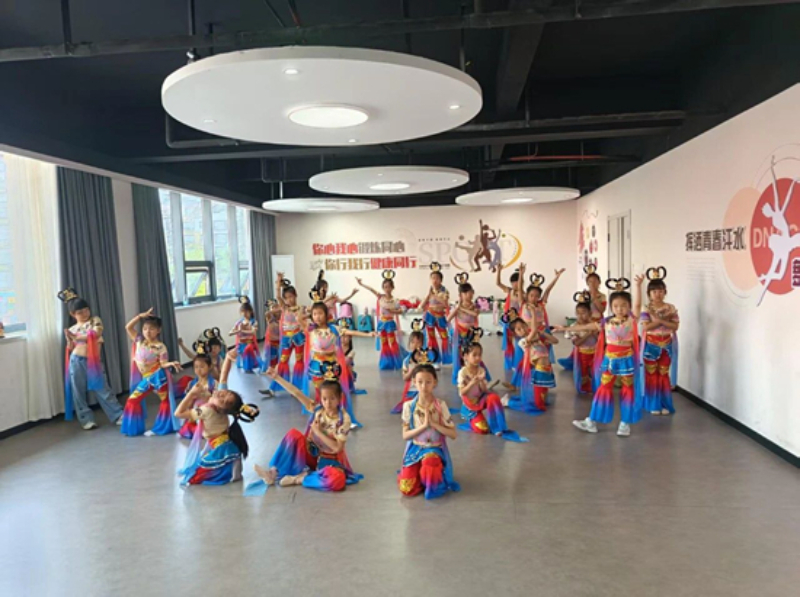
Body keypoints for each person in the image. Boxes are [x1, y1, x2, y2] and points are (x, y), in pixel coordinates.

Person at [553, 278, 643, 437]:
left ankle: (625, 424)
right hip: (610, 360)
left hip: (626, 360)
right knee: (603, 389)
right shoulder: (606, 322)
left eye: (623, 305)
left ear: (629, 306)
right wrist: (564, 328)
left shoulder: (631, 320)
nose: (619, 309)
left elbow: (638, 305)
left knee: (627, 390)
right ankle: (592, 421)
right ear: (611, 307)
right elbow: (586, 326)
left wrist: (638, 286)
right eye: (616, 306)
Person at [252, 366, 363, 492]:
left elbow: (337, 448)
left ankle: (300, 479)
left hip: (331, 461)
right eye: (324, 399)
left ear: (340, 397)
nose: (328, 403)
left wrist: (318, 432)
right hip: (312, 453)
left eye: (332, 398)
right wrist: (277, 378)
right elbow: (297, 393)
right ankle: (273, 473)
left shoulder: (343, 420)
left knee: (337, 480)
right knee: (293, 434)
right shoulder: (318, 409)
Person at [175, 351, 260, 486]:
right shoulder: (219, 405)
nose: (220, 394)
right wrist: (228, 358)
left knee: (194, 477)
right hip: (219, 439)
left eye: (222, 398)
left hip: (219, 443)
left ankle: (231, 470)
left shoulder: (207, 410)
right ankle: (233, 468)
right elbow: (224, 377)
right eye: (224, 393)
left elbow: (178, 413)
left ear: (222, 408)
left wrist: (191, 394)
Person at [299, 300, 375, 428]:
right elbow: (299, 319)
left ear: (326, 314)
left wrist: (368, 334)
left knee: (335, 392)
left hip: (331, 365)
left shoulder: (334, 329)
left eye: (320, 313)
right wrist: (309, 314)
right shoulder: (311, 329)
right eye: (315, 314)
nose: (317, 317)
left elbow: (350, 332)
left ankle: (340, 418)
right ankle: (322, 418)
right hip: (317, 365)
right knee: (321, 393)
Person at [58, 287, 124, 430]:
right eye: (80, 312)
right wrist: (69, 338)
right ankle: (86, 420)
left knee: (102, 389)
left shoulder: (95, 321)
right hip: (76, 360)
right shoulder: (73, 328)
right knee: (78, 391)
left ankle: (118, 415)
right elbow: (70, 347)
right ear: (73, 314)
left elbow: (95, 334)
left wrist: (76, 337)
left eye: (86, 310)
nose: (84, 314)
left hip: (93, 361)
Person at [398, 364, 460, 500]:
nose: (423, 386)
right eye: (420, 382)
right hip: (415, 449)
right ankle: (421, 475)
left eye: (428, 382)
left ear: (435, 383)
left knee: (430, 465)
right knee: (407, 488)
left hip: (434, 449)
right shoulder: (408, 406)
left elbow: (453, 434)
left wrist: (434, 424)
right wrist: (424, 426)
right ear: (414, 382)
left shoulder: (440, 405)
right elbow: (405, 435)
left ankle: (430, 474)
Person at [121, 308, 182, 437]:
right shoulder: (139, 340)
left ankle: (162, 428)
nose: (147, 332)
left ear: (158, 330)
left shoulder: (161, 347)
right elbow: (128, 327)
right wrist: (139, 316)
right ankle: (134, 428)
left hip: (158, 377)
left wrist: (170, 363)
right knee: (132, 400)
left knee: (165, 401)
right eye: (145, 329)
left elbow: (163, 363)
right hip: (146, 377)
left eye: (152, 329)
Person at [457, 343, 526, 442]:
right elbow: (462, 393)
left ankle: (497, 427)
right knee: (483, 429)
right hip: (470, 404)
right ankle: (473, 418)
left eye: (479, 355)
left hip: (480, 399)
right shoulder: (462, 372)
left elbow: (484, 391)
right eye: (474, 355)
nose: (478, 358)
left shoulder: (481, 370)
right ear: (466, 356)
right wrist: (472, 383)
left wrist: (482, 381)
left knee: (494, 397)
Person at [634, 267, 680, 415]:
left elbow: (675, 326)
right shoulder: (646, 308)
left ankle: (664, 403)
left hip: (667, 345)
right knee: (651, 374)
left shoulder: (670, 307)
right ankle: (653, 404)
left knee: (663, 374)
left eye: (660, 291)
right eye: (654, 291)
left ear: (665, 292)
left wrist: (659, 321)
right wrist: (665, 321)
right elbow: (646, 327)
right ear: (649, 294)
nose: (657, 294)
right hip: (651, 345)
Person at [506, 316, 558, 415]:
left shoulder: (538, 338)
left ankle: (536, 400)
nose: (522, 330)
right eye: (519, 329)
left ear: (527, 326)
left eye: (523, 326)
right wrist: (533, 313)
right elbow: (533, 331)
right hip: (539, 371)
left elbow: (555, 341)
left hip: (547, 370)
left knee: (542, 399)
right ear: (515, 334)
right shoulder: (523, 342)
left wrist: (543, 333)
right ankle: (508, 402)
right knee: (538, 406)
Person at [356, 270, 404, 370]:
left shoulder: (395, 300)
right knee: (384, 343)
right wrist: (361, 284)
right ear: (383, 288)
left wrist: (392, 311)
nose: (387, 289)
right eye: (385, 287)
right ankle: (386, 363)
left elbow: (400, 311)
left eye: (389, 287)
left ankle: (397, 363)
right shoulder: (380, 297)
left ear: (392, 288)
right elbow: (371, 289)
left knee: (392, 343)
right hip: (382, 324)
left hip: (390, 323)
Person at [175, 342, 217, 440]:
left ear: (209, 366)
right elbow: (187, 399)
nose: (199, 370)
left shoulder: (213, 383)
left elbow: (216, 400)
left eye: (202, 367)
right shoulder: (191, 383)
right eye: (196, 367)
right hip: (195, 409)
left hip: (207, 410)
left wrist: (206, 396)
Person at [274, 273, 307, 388]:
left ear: (296, 295)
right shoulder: (284, 308)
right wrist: (278, 283)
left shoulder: (301, 308)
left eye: (291, 296)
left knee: (299, 360)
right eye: (287, 298)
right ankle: (279, 385)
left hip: (298, 337)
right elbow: (278, 297)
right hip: (287, 338)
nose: (289, 299)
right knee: (283, 360)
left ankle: (298, 386)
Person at [448, 273, 481, 384]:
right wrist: (456, 309)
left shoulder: (475, 306)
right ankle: (460, 376)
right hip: (459, 333)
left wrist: (461, 308)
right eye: (465, 293)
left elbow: (475, 314)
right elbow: (448, 319)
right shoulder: (456, 307)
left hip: (470, 334)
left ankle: (472, 375)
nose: (468, 295)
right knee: (459, 355)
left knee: (471, 354)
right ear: (460, 295)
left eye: (470, 292)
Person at [419, 262, 451, 366]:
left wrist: (434, 296)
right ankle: (434, 359)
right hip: (430, 316)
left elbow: (445, 304)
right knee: (431, 338)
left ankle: (447, 359)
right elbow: (421, 306)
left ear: (441, 280)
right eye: (432, 278)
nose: (434, 280)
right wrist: (428, 296)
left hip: (440, 317)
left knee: (445, 337)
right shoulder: (430, 291)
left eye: (437, 278)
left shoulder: (445, 291)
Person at [391, 326, 428, 414]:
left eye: (418, 342)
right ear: (409, 344)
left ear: (422, 344)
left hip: (423, 389)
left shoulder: (425, 359)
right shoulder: (406, 361)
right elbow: (405, 378)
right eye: (412, 342)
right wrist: (413, 370)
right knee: (410, 408)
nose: (415, 345)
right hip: (411, 390)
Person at [496, 264, 524, 373]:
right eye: (513, 282)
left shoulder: (524, 294)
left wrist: (521, 274)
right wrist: (499, 270)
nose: (514, 284)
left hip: (518, 322)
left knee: (518, 342)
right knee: (508, 343)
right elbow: (498, 283)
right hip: (508, 321)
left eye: (516, 281)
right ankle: (509, 363)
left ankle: (518, 364)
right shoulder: (509, 291)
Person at [230, 296, 261, 373]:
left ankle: (249, 367)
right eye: (243, 311)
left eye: (246, 311)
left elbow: (253, 332)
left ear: (250, 311)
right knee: (243, 354)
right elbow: (232, 331)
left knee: (248, 351)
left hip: (249, 342)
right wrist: (234, 332)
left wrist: (242, 330)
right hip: (241, 343)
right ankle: (247, 367)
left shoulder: (253, 322)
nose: (244, 314)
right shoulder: (239, 322)